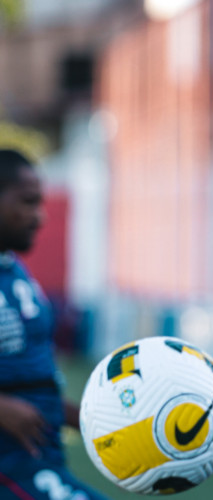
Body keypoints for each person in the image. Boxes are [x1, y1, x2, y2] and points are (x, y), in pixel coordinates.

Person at [0, 150, 107, 499]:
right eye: (28, 202)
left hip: (42, 463)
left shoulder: (15, 271)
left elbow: (27, 381)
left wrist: (94, 418)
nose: (40, 216)